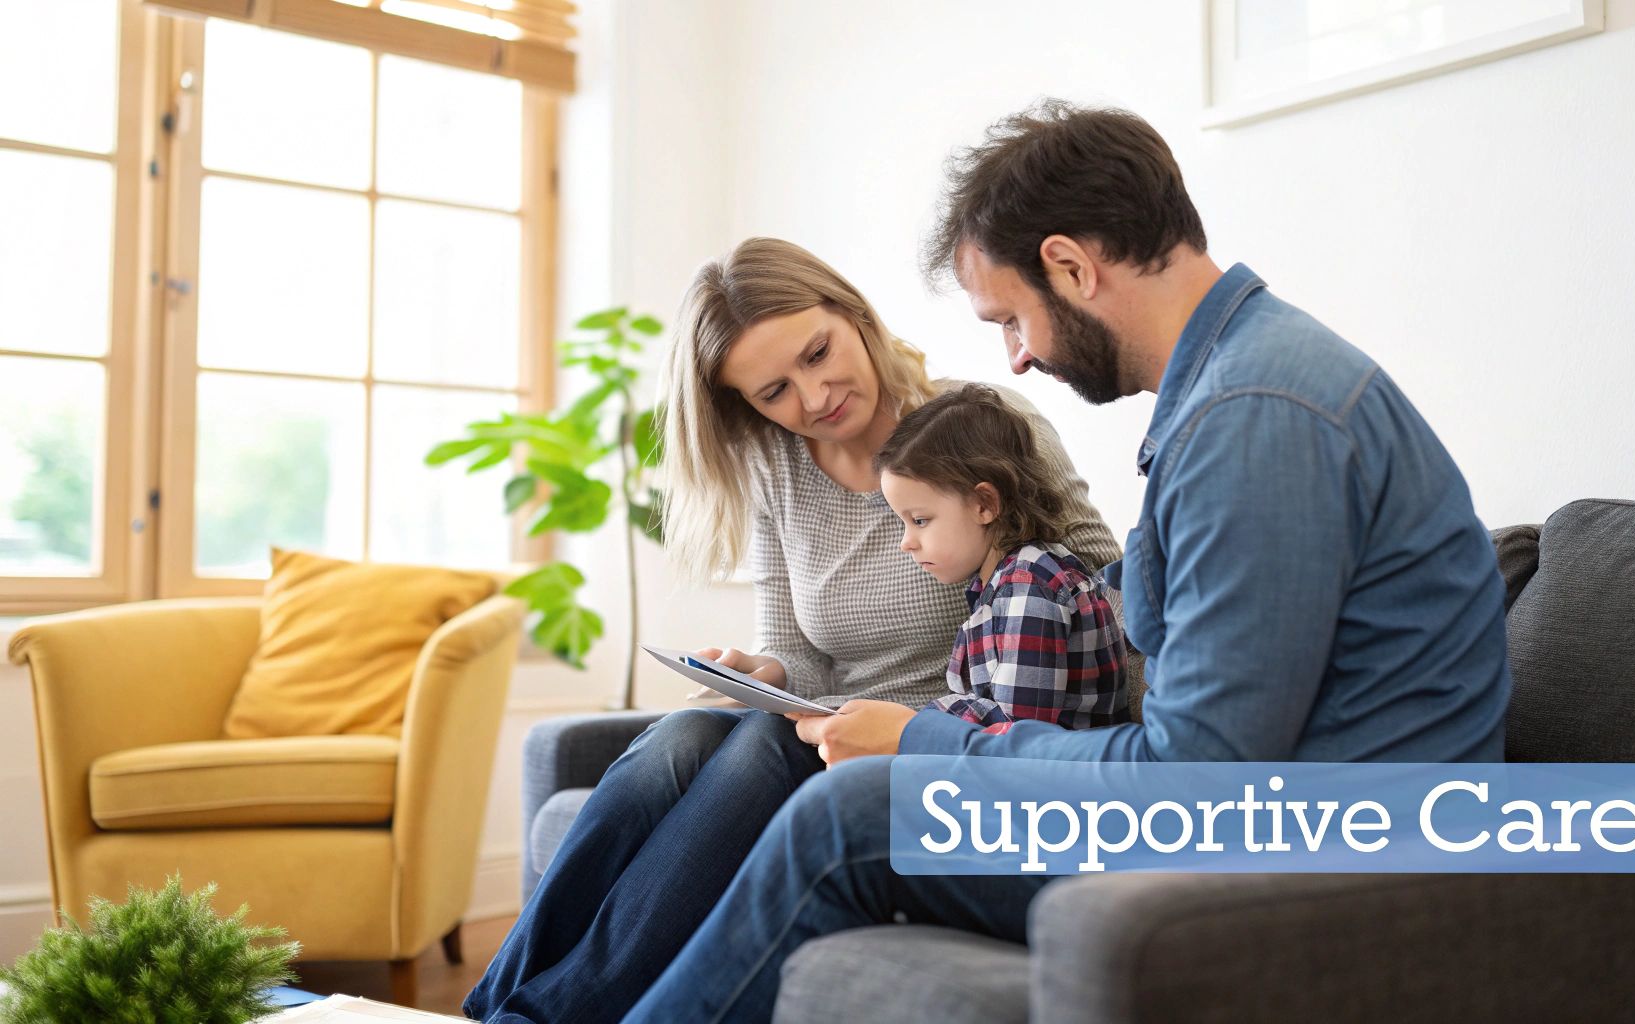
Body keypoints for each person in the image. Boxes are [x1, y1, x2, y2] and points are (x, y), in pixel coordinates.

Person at [616, 100, 1513, 1021]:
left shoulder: (1254, 420)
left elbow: (1193, 774)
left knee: (847, 818)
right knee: (748, 766)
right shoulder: (1237, 386)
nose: (1014, 359)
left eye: (1011, 318)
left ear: (1072, 268)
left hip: (1331, 857)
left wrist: (926, 740)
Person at [463, 237, 1129, 1023]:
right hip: (827, 722)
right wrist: (764, 672)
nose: (814, 398)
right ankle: (488, 1008)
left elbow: (1102, 588)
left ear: (852, 315)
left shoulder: (978, 425)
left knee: (761, 743)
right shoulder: (778, 466)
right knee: (679, 737)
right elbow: (798, 648)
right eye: (775, 391)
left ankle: (539, 1018)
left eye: (818, 354)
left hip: (922, 738)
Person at [873, 382, 1128, 733]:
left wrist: (918, 723)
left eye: (919, 520)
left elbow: (1017, 734)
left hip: (1059, 765)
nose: (906, 543)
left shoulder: (1030, 585)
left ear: (984, 504)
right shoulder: (1000, 585)